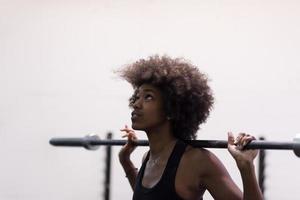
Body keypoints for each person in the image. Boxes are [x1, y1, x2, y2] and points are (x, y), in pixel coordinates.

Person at [117, 55, 263, 200]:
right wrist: (125, 160)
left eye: (148, 97)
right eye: (137, 97)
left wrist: (246, 167)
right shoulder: (148, 158)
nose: (136, 104)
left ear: (170, 110)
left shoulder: (197, 161)